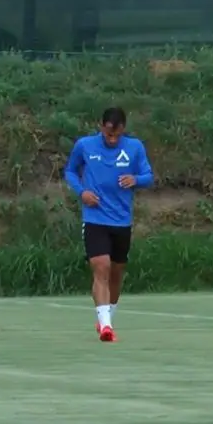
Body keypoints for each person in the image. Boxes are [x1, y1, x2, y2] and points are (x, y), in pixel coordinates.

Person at [64, 106, 154, 343]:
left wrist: (136, 179)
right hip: (95, 219)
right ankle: (106, 326)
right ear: (101, 127)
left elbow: (148, 176)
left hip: (121, 220)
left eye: (116, 135)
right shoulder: (85, 145)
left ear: (123, 129)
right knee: (101, 266)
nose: (112, 139)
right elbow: (70, 171)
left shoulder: (135, 147)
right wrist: (82, 192)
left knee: (116, 272)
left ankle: (107, 318)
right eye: (108, 134)